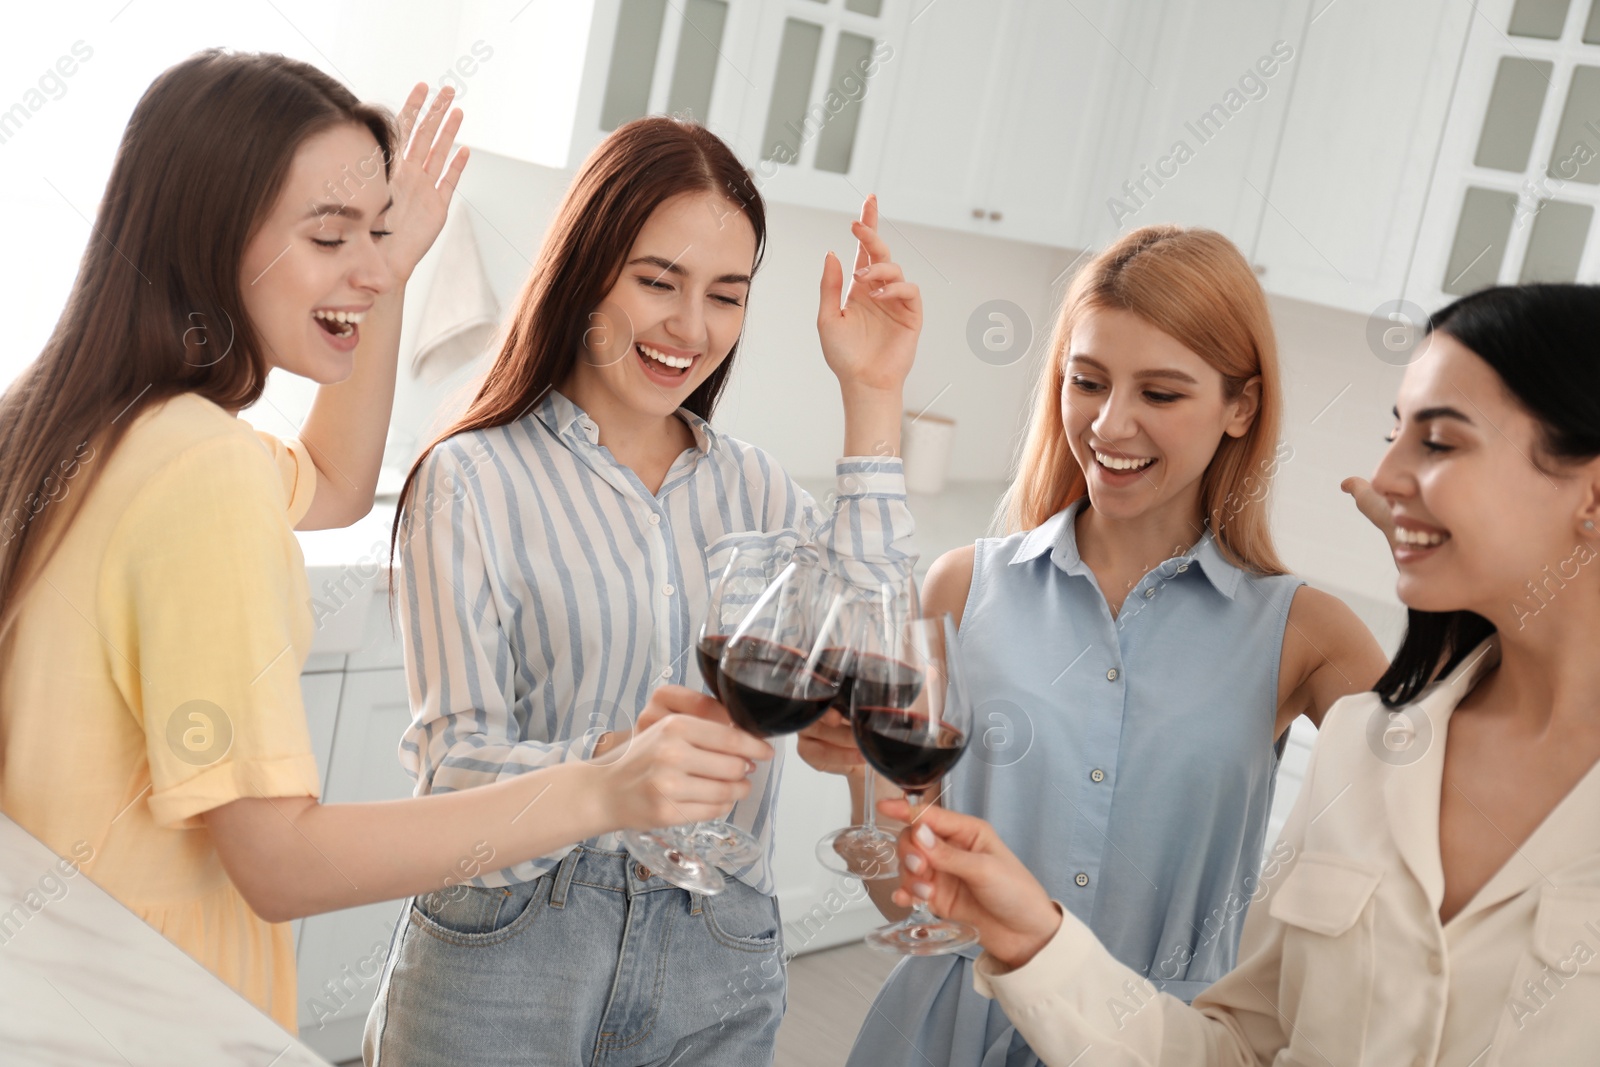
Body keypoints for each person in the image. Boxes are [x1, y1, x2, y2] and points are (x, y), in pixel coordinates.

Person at [0, 51, 766, 1030]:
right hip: (159, 1013)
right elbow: (280, 861)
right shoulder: (204, 471)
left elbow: (333, 483)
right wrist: (601, 788)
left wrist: (382, 278)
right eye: (330, 235)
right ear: (210, 231)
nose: (370, 264)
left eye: (377, 234)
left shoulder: (75, 427)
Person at [887, 282, 1600, 1065]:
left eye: (1439, 442)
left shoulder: (1314, 650)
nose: (1387, 473)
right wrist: (1031, 933)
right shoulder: (1375, 747)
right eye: (1086, 379)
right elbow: (1243, 1049)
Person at [361, 117, 922, 1066]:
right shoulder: (471, 479)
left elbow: (878, 656)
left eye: (726, 296)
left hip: (717, 949)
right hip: (512, 943)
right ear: (586, 272)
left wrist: (873, 394)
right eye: (657, 281)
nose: (690, 328)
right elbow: (450, 773)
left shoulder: (760, 491)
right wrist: (616, 767)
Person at [798, 225, 1388, 1066]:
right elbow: (904, 901)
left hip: (1159, 1043)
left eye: (1162, 392)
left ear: (1241, 406)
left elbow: (1455, 793)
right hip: (945, 1029)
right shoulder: (963, 588)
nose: (1112, 423)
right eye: (1088, 381)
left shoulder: (1305, 632)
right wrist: (862, 767)